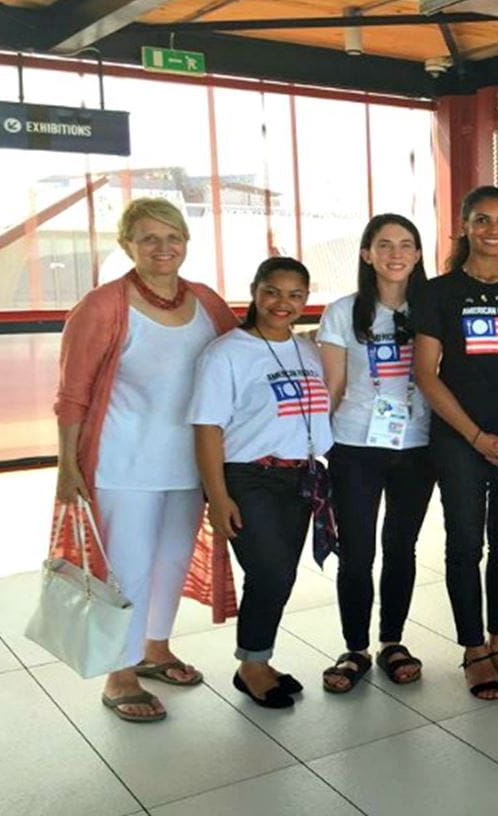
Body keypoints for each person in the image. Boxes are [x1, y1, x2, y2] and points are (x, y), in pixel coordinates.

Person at [54, 197, 237, 723]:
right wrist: (68, 463)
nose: (163, 248)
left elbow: (244, 355)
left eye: (172, 237)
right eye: (149, 238)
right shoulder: (103, 305)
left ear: (186, 242)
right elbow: (72, 395)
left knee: (171, 563)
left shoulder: (205, 300)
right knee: (127, 569)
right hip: (122, 465)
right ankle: (119, 673)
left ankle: (155, 649)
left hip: (189, 466)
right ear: (127, 245)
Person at [413, 186, 498, 701]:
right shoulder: (437, 292)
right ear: (465, 227)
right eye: (482, 220)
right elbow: (427, 375)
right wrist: (473, 436)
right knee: (465, 543)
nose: (493, 230)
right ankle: (472, 649)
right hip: (458, 439)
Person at [190, 257, 335, 709]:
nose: (282, 303)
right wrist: (218, 496)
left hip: (299, 478)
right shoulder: (226, 353)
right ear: (255, 291)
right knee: (270, 571)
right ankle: (251, 666)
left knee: (278, 575)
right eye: (273, 291)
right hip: (249, 477)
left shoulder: (307, 350)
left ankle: (260, 658)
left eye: (295, 295)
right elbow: (207, 427)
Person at [317, 214, 435, 693]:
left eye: (406, 245)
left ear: (419, 255)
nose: (395, 254)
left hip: (417, 446)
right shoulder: (342, 312)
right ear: (366, 254)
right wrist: (316, 446)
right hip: (355, 446)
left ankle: (392, 642)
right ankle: (355, 648)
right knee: (357, 551)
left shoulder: (432, 309)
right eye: (383, 245)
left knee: (400, 547)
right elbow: (333, 385)